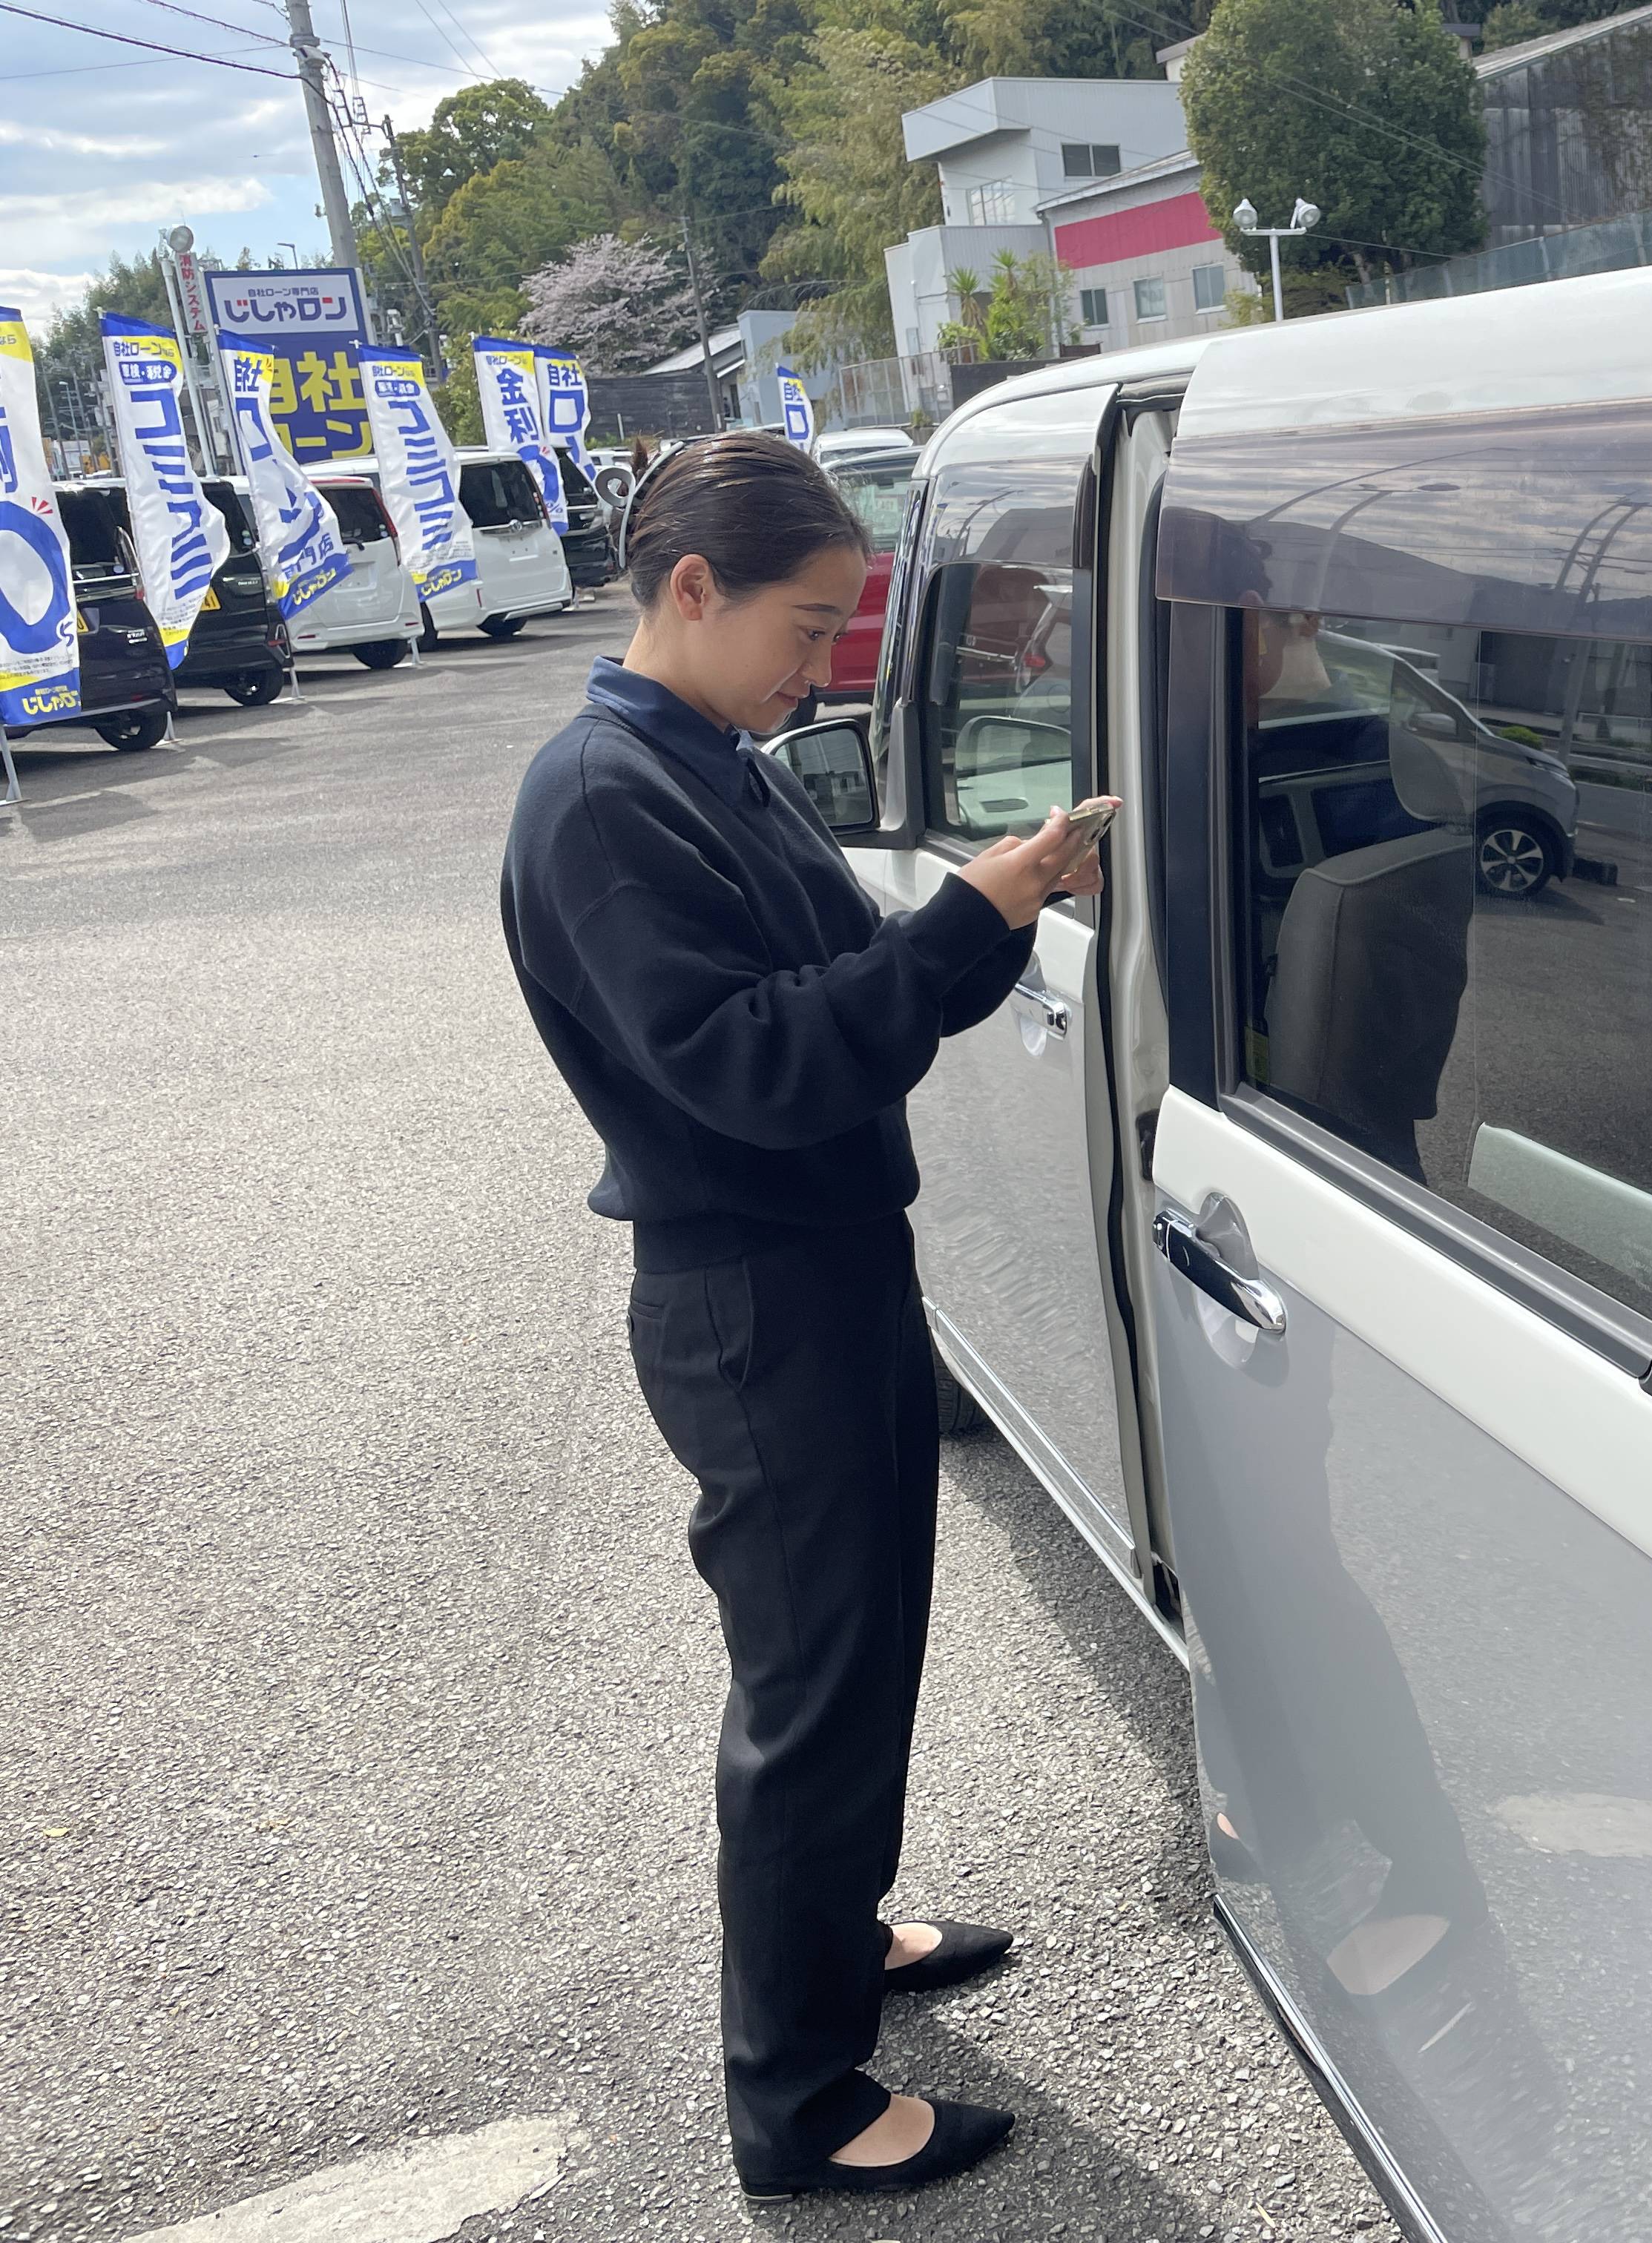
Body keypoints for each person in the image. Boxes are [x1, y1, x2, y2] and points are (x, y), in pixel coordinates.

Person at [497, 429, 1105, 2201]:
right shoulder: (606, 795)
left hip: (825, 1262)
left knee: (864, 1653)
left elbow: (842, 983)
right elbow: (759, 1063)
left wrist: (1004, 905)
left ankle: (841, 1947)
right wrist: (972, 916)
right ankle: (799, 2104)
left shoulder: (706, 754)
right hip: (752, 1295)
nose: (825, 662)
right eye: (812, 622)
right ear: (692, 589)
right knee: (809, 1689)